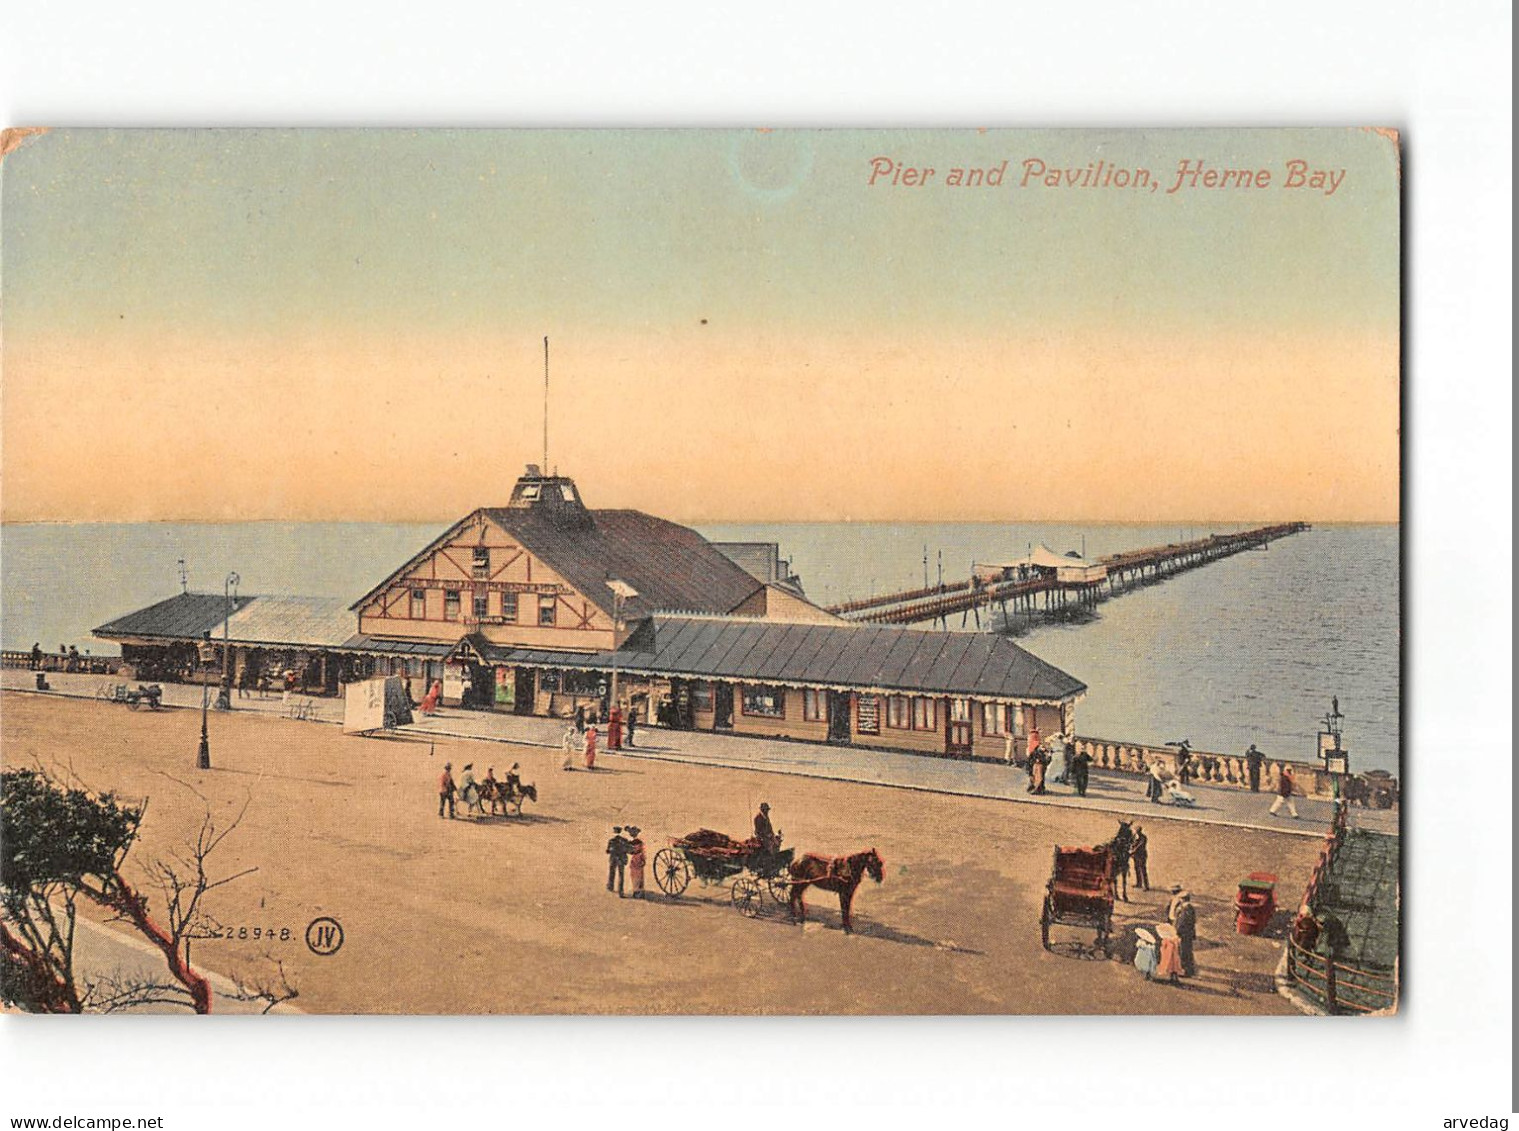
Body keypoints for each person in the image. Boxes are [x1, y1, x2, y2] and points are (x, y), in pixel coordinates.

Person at [1170, 891, 1198, 976]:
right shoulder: (1188, 908)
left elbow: (1182, 923)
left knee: (1185, 953)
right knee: (1187, 952)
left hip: (1184, 935)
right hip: (1187, 934)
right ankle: (1189, 970)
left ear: (1183, 899)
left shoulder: (1186, 909)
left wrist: (1177, 932)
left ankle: (1187, 971)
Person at [606, 826, 631, 896]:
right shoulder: (625, 840)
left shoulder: (611, 840)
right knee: (621, 874)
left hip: (613, 858)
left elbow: (607, 850)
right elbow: (628, 850)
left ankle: (610, 886)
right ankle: (621, 891)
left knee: (612, 872)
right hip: (621, 859)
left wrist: (610, 850)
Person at [626, 826, 646, 898]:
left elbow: (632, 851)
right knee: (640, 875)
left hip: (636, 858)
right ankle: (640, 891)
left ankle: (637, 892)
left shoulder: (635, 842)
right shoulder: (639, 841)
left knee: (635, 875)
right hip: (640, 858)